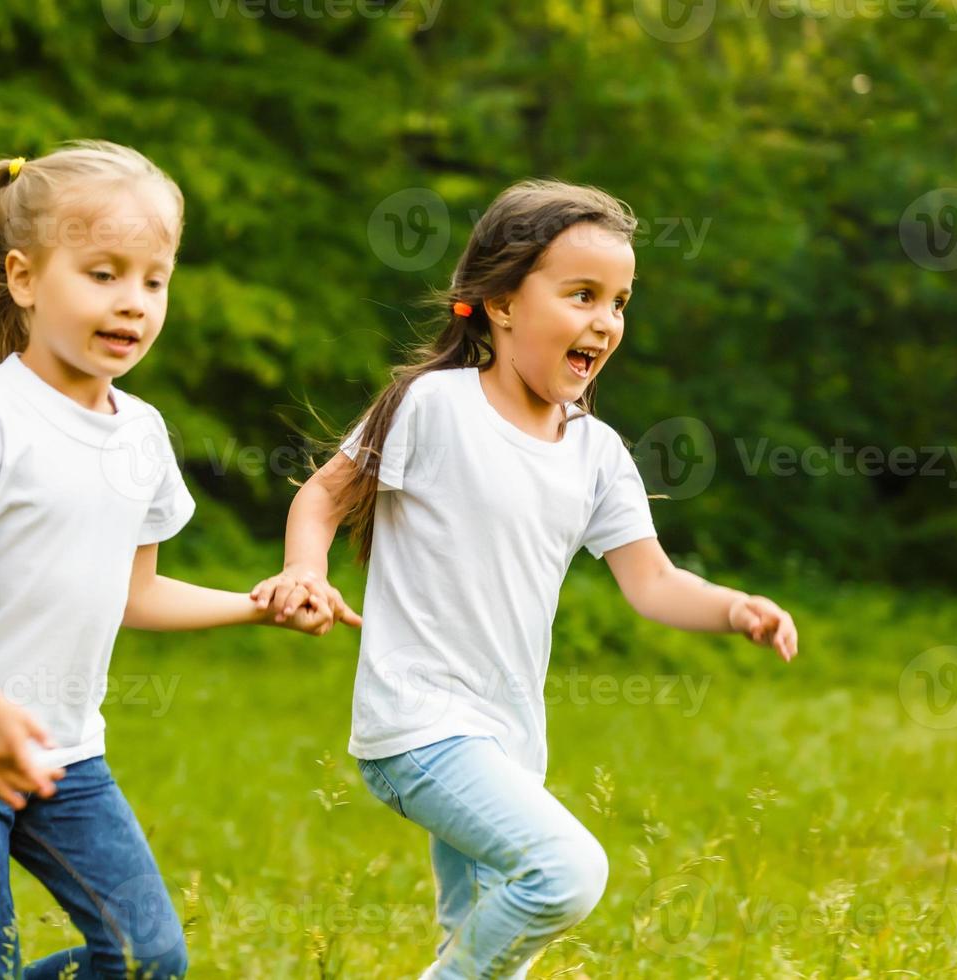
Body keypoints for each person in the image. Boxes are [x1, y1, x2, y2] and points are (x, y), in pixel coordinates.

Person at [253, 178, 799, 978]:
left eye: (618, 302)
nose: (605, 322)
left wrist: (734, 608)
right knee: (564, 874)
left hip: (508, 741)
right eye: (582, 295)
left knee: (488, 952)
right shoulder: (431, 406)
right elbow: (324, 497)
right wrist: (305, 570)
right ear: (503, 303)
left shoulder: (596, 453)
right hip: (419, 724)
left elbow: (651, 583)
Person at [0, 140, 355, 980]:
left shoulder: (141, 433)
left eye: (152, 279)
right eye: (102, 274)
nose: (132, 302)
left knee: (147, 958)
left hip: (69, 756)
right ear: (24, 279)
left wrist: (261, 602)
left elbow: (136, 592)